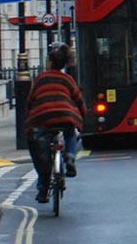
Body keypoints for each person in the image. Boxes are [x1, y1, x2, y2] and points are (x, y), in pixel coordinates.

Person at [25, 44, 86, 204]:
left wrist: (30, 116)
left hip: (43, 117)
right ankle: (70, 157)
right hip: (65, 115)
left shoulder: (41, 78)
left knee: (40, 152)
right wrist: (83, 117)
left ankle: (43, 190)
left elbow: (30, 100)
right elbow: (79, 100)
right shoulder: (68, 79)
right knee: (70, 132)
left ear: (50, 62)